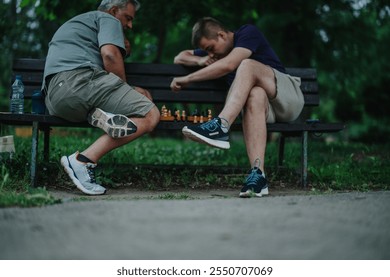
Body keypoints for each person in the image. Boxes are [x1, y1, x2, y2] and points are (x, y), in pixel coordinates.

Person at [171, 17, 304, 198]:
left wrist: (187, 79)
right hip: (265, 109)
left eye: (210, 48)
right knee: (255, 94)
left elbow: (229, 65)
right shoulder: (214, 54)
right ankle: (258, 175)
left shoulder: (247, 33)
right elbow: (179, 57)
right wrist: (199, 60)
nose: (211, 54)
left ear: (222, 35)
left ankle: (221, 125)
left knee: (246, 65)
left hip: (288, 99)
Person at [42, 0, 160, 195]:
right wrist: (126, 89)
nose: (130, 25)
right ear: (114, 11)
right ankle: (82, 161)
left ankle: (100, 115)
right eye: (128, 18)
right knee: (149, 112)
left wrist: (123, 49)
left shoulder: (79, 23)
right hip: (79, 83)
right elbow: (110, 55)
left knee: (132, 101)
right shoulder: (106, 18)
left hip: (57, 99)